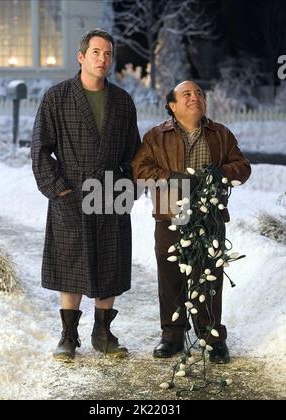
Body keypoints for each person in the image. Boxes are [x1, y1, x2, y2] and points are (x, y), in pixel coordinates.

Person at [31, 29, 141, 361]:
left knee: (110, 260)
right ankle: (68, 335)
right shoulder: (57, 97)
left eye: (107, 54)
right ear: (81, 56)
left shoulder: (122, 100)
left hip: (110, 191)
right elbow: (40, 149)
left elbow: (134, 153)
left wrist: (128, 186)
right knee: (71, 262)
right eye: (96, 52)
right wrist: (57, 188)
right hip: (72, 193)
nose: (102, 59)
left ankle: (103, 333)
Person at [132, 81, 251, 363]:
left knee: (208, 276)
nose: (194, 97)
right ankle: (172, 336)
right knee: (171, 274)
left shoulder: (220, 134)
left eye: (199, 93)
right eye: (186, 94)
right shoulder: (156, 136)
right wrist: (171, 178)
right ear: (172, 106)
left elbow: (242, 167)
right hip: (170, 214)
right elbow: (139, 169)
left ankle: (211, 337)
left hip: (209, 216)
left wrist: (219, 174)